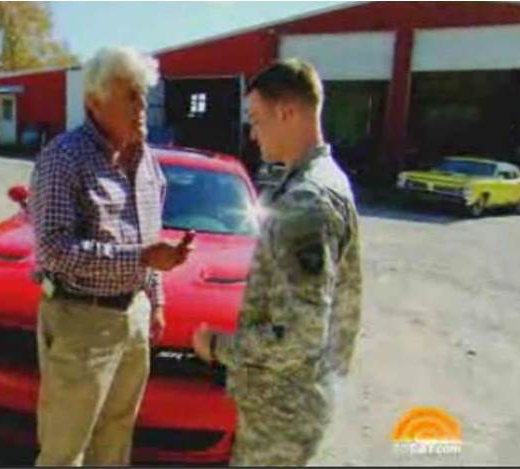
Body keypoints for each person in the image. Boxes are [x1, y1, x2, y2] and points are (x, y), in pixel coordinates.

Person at [192, 59, 363, 466]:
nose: (251, 133)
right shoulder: (322, 180)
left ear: (287, 112)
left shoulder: (308, 200)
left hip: (283, 413)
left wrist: (216, 345)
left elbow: (299, 336)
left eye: (256, 119)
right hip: (293, 401)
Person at [29, 46, 193, 466]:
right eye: (129, 96)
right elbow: (53, 249)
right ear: (95, 101)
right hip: (80, 319)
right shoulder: (64, 157)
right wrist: (141, 258)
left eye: (143, 95)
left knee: (117, 433)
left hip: (133, 318)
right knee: (65, 447)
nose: (142, 107)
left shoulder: (147, 163)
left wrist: (154, 301)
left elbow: (149, 238)